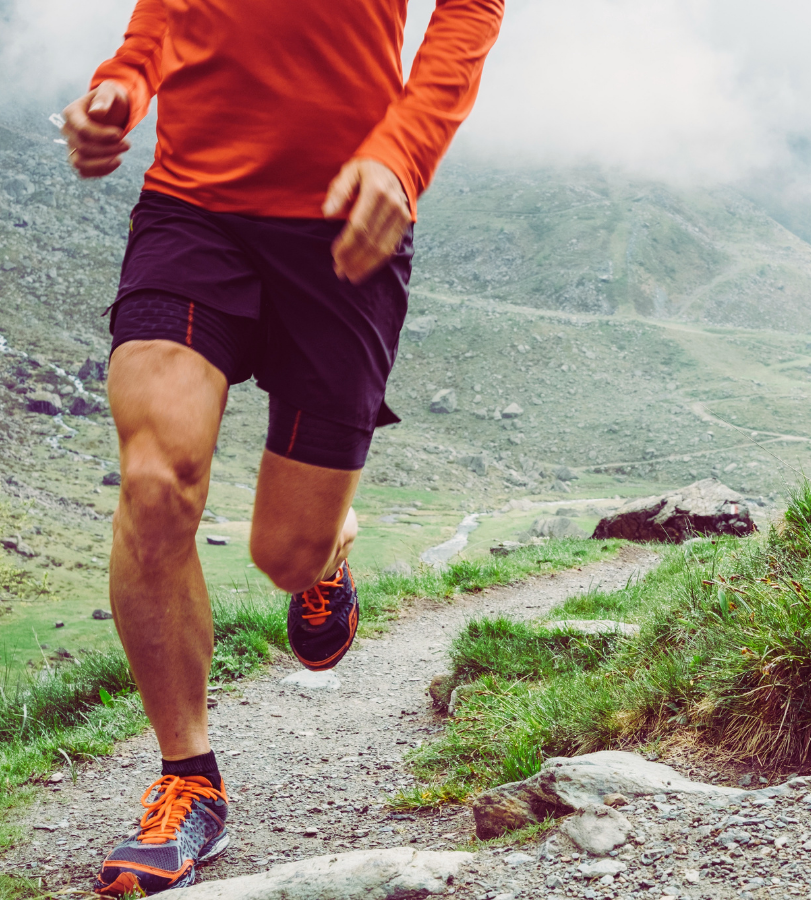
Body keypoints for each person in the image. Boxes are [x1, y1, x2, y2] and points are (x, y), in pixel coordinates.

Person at [59, 0, 504, 894]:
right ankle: (190, 783)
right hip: (193, 210)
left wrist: (403, 152)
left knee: (282, 552)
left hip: (346, 220)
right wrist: (124, 82)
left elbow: (469, 10)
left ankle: (327, 552)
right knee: (154, 481)